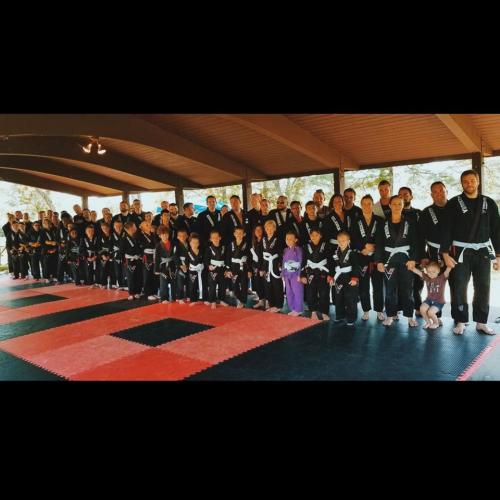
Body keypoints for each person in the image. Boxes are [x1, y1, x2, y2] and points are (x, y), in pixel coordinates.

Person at [441, 169, 500, 336]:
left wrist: (498, 255)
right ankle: (460, 321)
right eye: (465, 181)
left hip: (482, 252)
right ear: (461, 184)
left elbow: (497, 230)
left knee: (483, 287)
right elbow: (446, 230)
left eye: (472, 180)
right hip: (460, 252)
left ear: (478, 181)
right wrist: (445, 254)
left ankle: (481, 322)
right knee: (459, 287)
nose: (469, 184)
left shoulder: (489, 203)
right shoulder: (453, 203)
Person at [375, 195, 419, 328]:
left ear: (403, 205)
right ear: (389, 205)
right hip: (389, 259)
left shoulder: (410, 222)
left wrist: (413, 259)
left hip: (406, 258)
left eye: (399, 204)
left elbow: (415, 242)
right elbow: (379, 243)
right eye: (394, 204)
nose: (397, 206)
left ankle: (410, 316)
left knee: (407, 288)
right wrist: (379, 261)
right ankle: (390, 315)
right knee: (390, 289)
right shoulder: (383, 223)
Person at [350, 194, 385, 321]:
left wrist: (374, 246)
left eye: (369, 203)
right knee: (364, 286)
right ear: (361, 205)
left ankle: (379, 310)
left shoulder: (380, 220)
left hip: (376, 257)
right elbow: (353, 238)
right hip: (362, 256)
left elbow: (383, 238)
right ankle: (366, 310)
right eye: (364, 204)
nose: (366, 206)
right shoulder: (356, 221)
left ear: (372, 204)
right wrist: (363, 247)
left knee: (378, 285)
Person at [300, 227, 334, 321]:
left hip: (323, 272)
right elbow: (303, 261)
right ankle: (313, 312)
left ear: (320, 236)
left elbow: (331, 261)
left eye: (316, 235)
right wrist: (302, 275)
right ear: (309, 236)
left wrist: (331, 275)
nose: (314, 237)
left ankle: (324, 312)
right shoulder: (306, 247)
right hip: (310, 273)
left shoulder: (326, 246)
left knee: (324, 294)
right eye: (312, 235)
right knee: (310, 294)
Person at [410, 261, 451, 330]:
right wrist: (412, 268)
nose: (431, 274)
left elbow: (447, 271)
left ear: (438, 271)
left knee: (430, 312)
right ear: (426, 271)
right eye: (429, 272)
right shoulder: (427, 278)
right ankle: (428, 322)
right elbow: (418, 272)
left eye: (433, 272)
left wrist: (449, 266)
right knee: (422, 308)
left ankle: (436, 323)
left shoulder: (442, 278)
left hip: (439, 301)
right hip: (429, 300)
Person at [332, 231, 360, 326]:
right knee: (338, 297)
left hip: (349, 278)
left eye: (343, 240)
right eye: (339, 241)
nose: (341, 242)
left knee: (350, 298)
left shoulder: (352, 253)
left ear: (348, 241)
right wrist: (331, 277)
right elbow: (332, 266)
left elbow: (356, 266)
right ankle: (340, 315)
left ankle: (351, 317)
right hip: (339, 278)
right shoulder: (335, 253)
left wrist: (355, 278)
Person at [261, 220, 284, 313]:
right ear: (265, 229)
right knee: (268, 285)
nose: (269, 230)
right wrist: (262, 268)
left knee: (277, 285)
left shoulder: (278, 239)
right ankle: (272, 304)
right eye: (267, 228)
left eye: (271, 228)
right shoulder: (264, 239)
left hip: (275, 264)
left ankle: (279, 305)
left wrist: (280, 266)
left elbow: (281, 253)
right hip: (266, 264)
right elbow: (262, 254)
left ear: (275, 229)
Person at [225, 226, 251, 308]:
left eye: (240, 233)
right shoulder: (231, 244)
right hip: (234, 267)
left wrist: (249, 270)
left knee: (244, 285)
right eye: (237, 233)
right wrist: (228, 269)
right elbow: (228, 257)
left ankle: (242, 301)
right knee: (234, 285)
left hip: (244, 267)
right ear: (234, 234)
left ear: (244, 234)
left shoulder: (247, 244)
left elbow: (250, 258)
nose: (239, 235)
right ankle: (239, 298)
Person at [204, 229, 228, 309]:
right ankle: (213, 301)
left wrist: (227, 268)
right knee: (212, 286)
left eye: (217, 237)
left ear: (220, 238)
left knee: (222, 285)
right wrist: (208, 266)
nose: (215, 239)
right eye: (213, 238)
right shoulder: (209, 249)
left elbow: (227, 258)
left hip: (222, 269)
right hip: (213, 270)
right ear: (210, 239)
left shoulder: (224, 248)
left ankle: (221, 300)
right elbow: (206, 259)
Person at [282, 229, 304, 316]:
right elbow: (284, 262)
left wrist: (300, 275)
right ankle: (293, 308)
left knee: (297, 292)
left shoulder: (298, 250)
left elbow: (301, 262)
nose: (288, 240)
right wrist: (283, 273)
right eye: (287, 239)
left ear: (296, 240)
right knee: (289, 292)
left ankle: (299, 309)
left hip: (295, 275)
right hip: (287, 274)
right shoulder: (285, 250)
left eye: (291, 239)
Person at [120, 221, 143, 300]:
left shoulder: (138, 236)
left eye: (135, 227)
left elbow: (141, 247)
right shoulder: (124, 239)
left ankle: (138, 292)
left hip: (138, 259)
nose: (135, 228)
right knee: (130, 277)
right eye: (134, 227)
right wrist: (124, 261)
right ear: (128, 229)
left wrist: (140, 255)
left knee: (138, 276)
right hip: (129, 260)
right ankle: (131, 293)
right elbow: (121, 251)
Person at [154, 224, 175, 304]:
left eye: (166, 234)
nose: (165, 236)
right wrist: (156, 269)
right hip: (162, 266)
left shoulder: (172, 243)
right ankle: (164, 298)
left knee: (173, 281)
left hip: (172, 264)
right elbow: (156, 258)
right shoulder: (158, 245)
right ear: (159, 236)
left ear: (169, 234)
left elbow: (175, 255)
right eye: (163, 234)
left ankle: (174, 296)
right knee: (163, 282)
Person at [138, 220, 158, 301]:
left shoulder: (153, 234)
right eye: (146, 225)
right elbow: (140, 246)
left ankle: (154, 292)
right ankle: (148, 293)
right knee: (147, 275)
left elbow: (156, 244)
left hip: (154, 256)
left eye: (149, 224)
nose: (149, 226)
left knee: (154, 275)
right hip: (146, 257)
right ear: (142, 228)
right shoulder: (140, 235)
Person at [186, 233, 205, 306]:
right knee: (192, 285)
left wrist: (202, 266)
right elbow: (186, 262)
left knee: (203, 284)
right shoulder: (188, 253)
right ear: (190, 243)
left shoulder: (201, 251)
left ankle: (203, 298)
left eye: (197, 243)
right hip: (192, 271)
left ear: (199, 243)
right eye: (193, 242)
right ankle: (193, 299)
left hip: (201, 270)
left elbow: (204, 261)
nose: (195, 244)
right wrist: (185, 267)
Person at [250, 224, 266, 309]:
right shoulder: (254, 241)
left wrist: (263, 268)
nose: (258, 231)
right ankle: (261, 300)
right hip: (255, 266)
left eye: (260, 229)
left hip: (263, 265)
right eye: (256, 230)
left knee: (265, 284)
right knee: (258, 284)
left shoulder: (265, 240)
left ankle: (268, 301)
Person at [173, 228, 190, 304]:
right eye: (180, 236)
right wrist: (180, 265)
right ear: (177, 237)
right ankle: (179, 297)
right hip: (180, 266)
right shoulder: (176, 246)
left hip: (188, 265)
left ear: (187, 236)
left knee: (188, 281)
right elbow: (175, 256)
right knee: (180, 282)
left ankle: (188, 295)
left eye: (184, 236)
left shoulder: (189, 244)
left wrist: (188, 265)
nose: (182, 237)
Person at [41, 218, 58, 283]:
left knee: (54, 264)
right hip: (46, 251)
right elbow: (42, 242)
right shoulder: (42, 231)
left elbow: (56, 239)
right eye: (45, 223)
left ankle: (54, 276)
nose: (47, 224)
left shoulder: (53, 230)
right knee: (46, 265)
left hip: (54, 249)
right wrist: (48, 249)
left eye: (48, 223)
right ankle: (47, 277)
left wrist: (55, 248)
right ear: (43, 224)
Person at [97, 222, 114, 289]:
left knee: (111, 270)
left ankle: (112, 283)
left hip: (111, 255)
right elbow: (98, 248)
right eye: (103, 228)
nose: (105, 229)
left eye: (106, 228)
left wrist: (110, 256)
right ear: (101, 229)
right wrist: (103, 256)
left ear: (109, 228)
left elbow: (114, 246)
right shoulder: (99, 237)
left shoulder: (112, 236)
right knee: (103, 270)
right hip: (103, 256)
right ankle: (103, 283)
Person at [111, 220, 126, 290]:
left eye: (120, 226)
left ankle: (125, 285)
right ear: (114, 227)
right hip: (116, 255)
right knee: (118, 271)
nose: (118, 227)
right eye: (116, 226)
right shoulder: (112, 235)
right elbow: (110, 246)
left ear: (122, 226)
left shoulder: (125, 233)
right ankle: (120, 285)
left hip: (124, 254)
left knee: (124, 271)